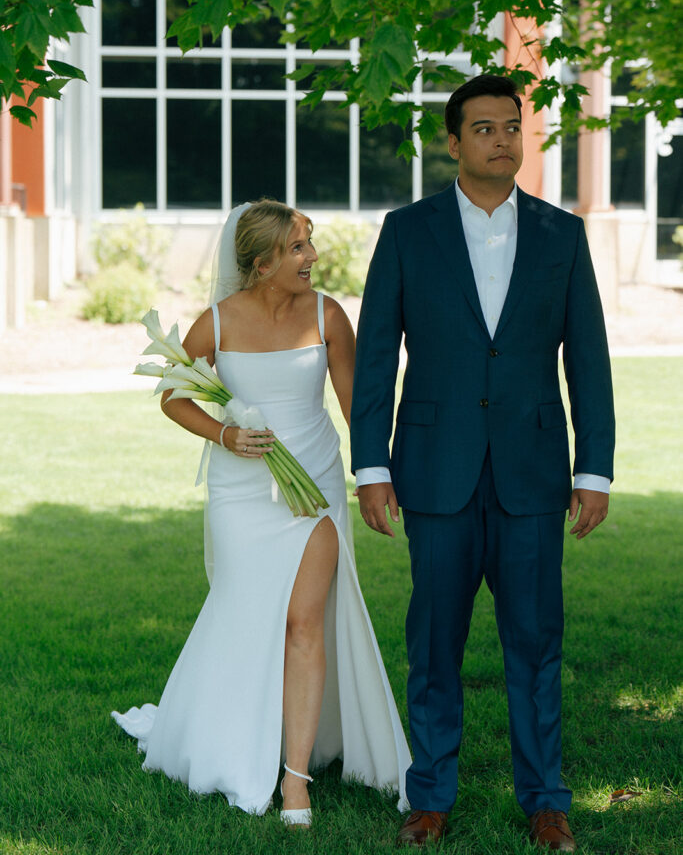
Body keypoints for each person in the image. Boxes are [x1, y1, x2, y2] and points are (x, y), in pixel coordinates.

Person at [350, 75, 615, 851]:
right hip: (432, 468)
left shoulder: (562, 235)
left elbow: (589, 362)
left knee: (535, 640)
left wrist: (591, 470)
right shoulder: (407, 230)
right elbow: (373, 362)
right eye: (484, 128)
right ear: (454, 140)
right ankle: (429, 794)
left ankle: (546, 799)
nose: (502, 139)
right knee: (433, 640)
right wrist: (372, 468)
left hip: (533, 472)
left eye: (512, 126)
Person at [112, 199, 410, 825]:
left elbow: (357, 406)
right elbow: (171, 394)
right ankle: (231, 732)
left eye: (309, 243)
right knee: (247, 617)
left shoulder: (329, 315)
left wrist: (377, 474)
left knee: (305, 621)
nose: (313, 257)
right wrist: (224, 435)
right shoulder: (216, 323)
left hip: (317, 488)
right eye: (299, 247)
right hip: (241, 493)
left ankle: (295, 778)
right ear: (262, 260)